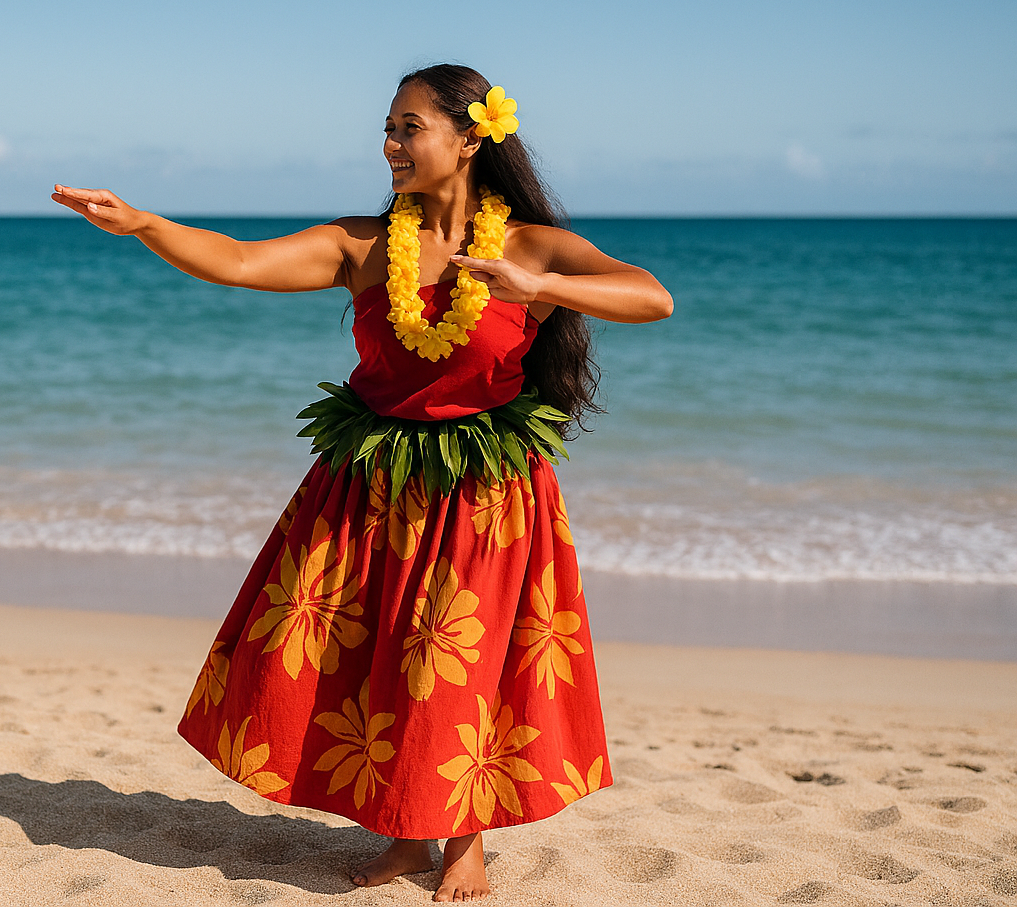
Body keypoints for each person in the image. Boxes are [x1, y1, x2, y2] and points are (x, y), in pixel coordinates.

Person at [51, 63, 672, 902]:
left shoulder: (529, 246)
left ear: (470, 138)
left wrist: (538, 287)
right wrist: (143, 224)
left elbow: (652, 297)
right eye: (388, 128)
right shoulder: (364, 246)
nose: (390, 145)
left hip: (483, 493)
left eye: (409, 127)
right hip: (372, 484)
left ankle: (463, 845)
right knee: (381, 662)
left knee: (458, 665)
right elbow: (239, 262)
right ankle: (409, 837)